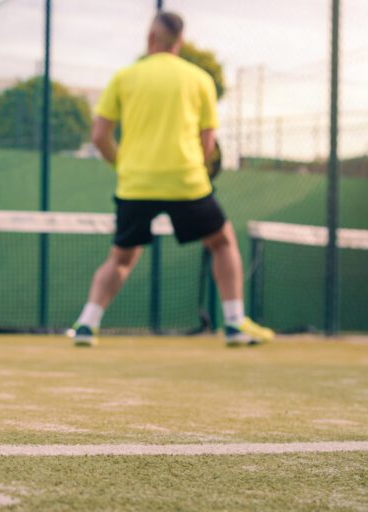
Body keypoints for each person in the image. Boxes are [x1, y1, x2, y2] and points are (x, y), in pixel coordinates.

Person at [70, 11, 274, 348]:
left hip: (135, 184)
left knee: (120, 258)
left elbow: (99, 136)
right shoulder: (200, 79)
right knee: (222, 242)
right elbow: (208, 144)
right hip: (186, 182)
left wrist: (123, 165)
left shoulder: (124, 77)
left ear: (150, 38)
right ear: (179, 41)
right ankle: (235, 323)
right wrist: (200, 166)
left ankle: (87, 325)